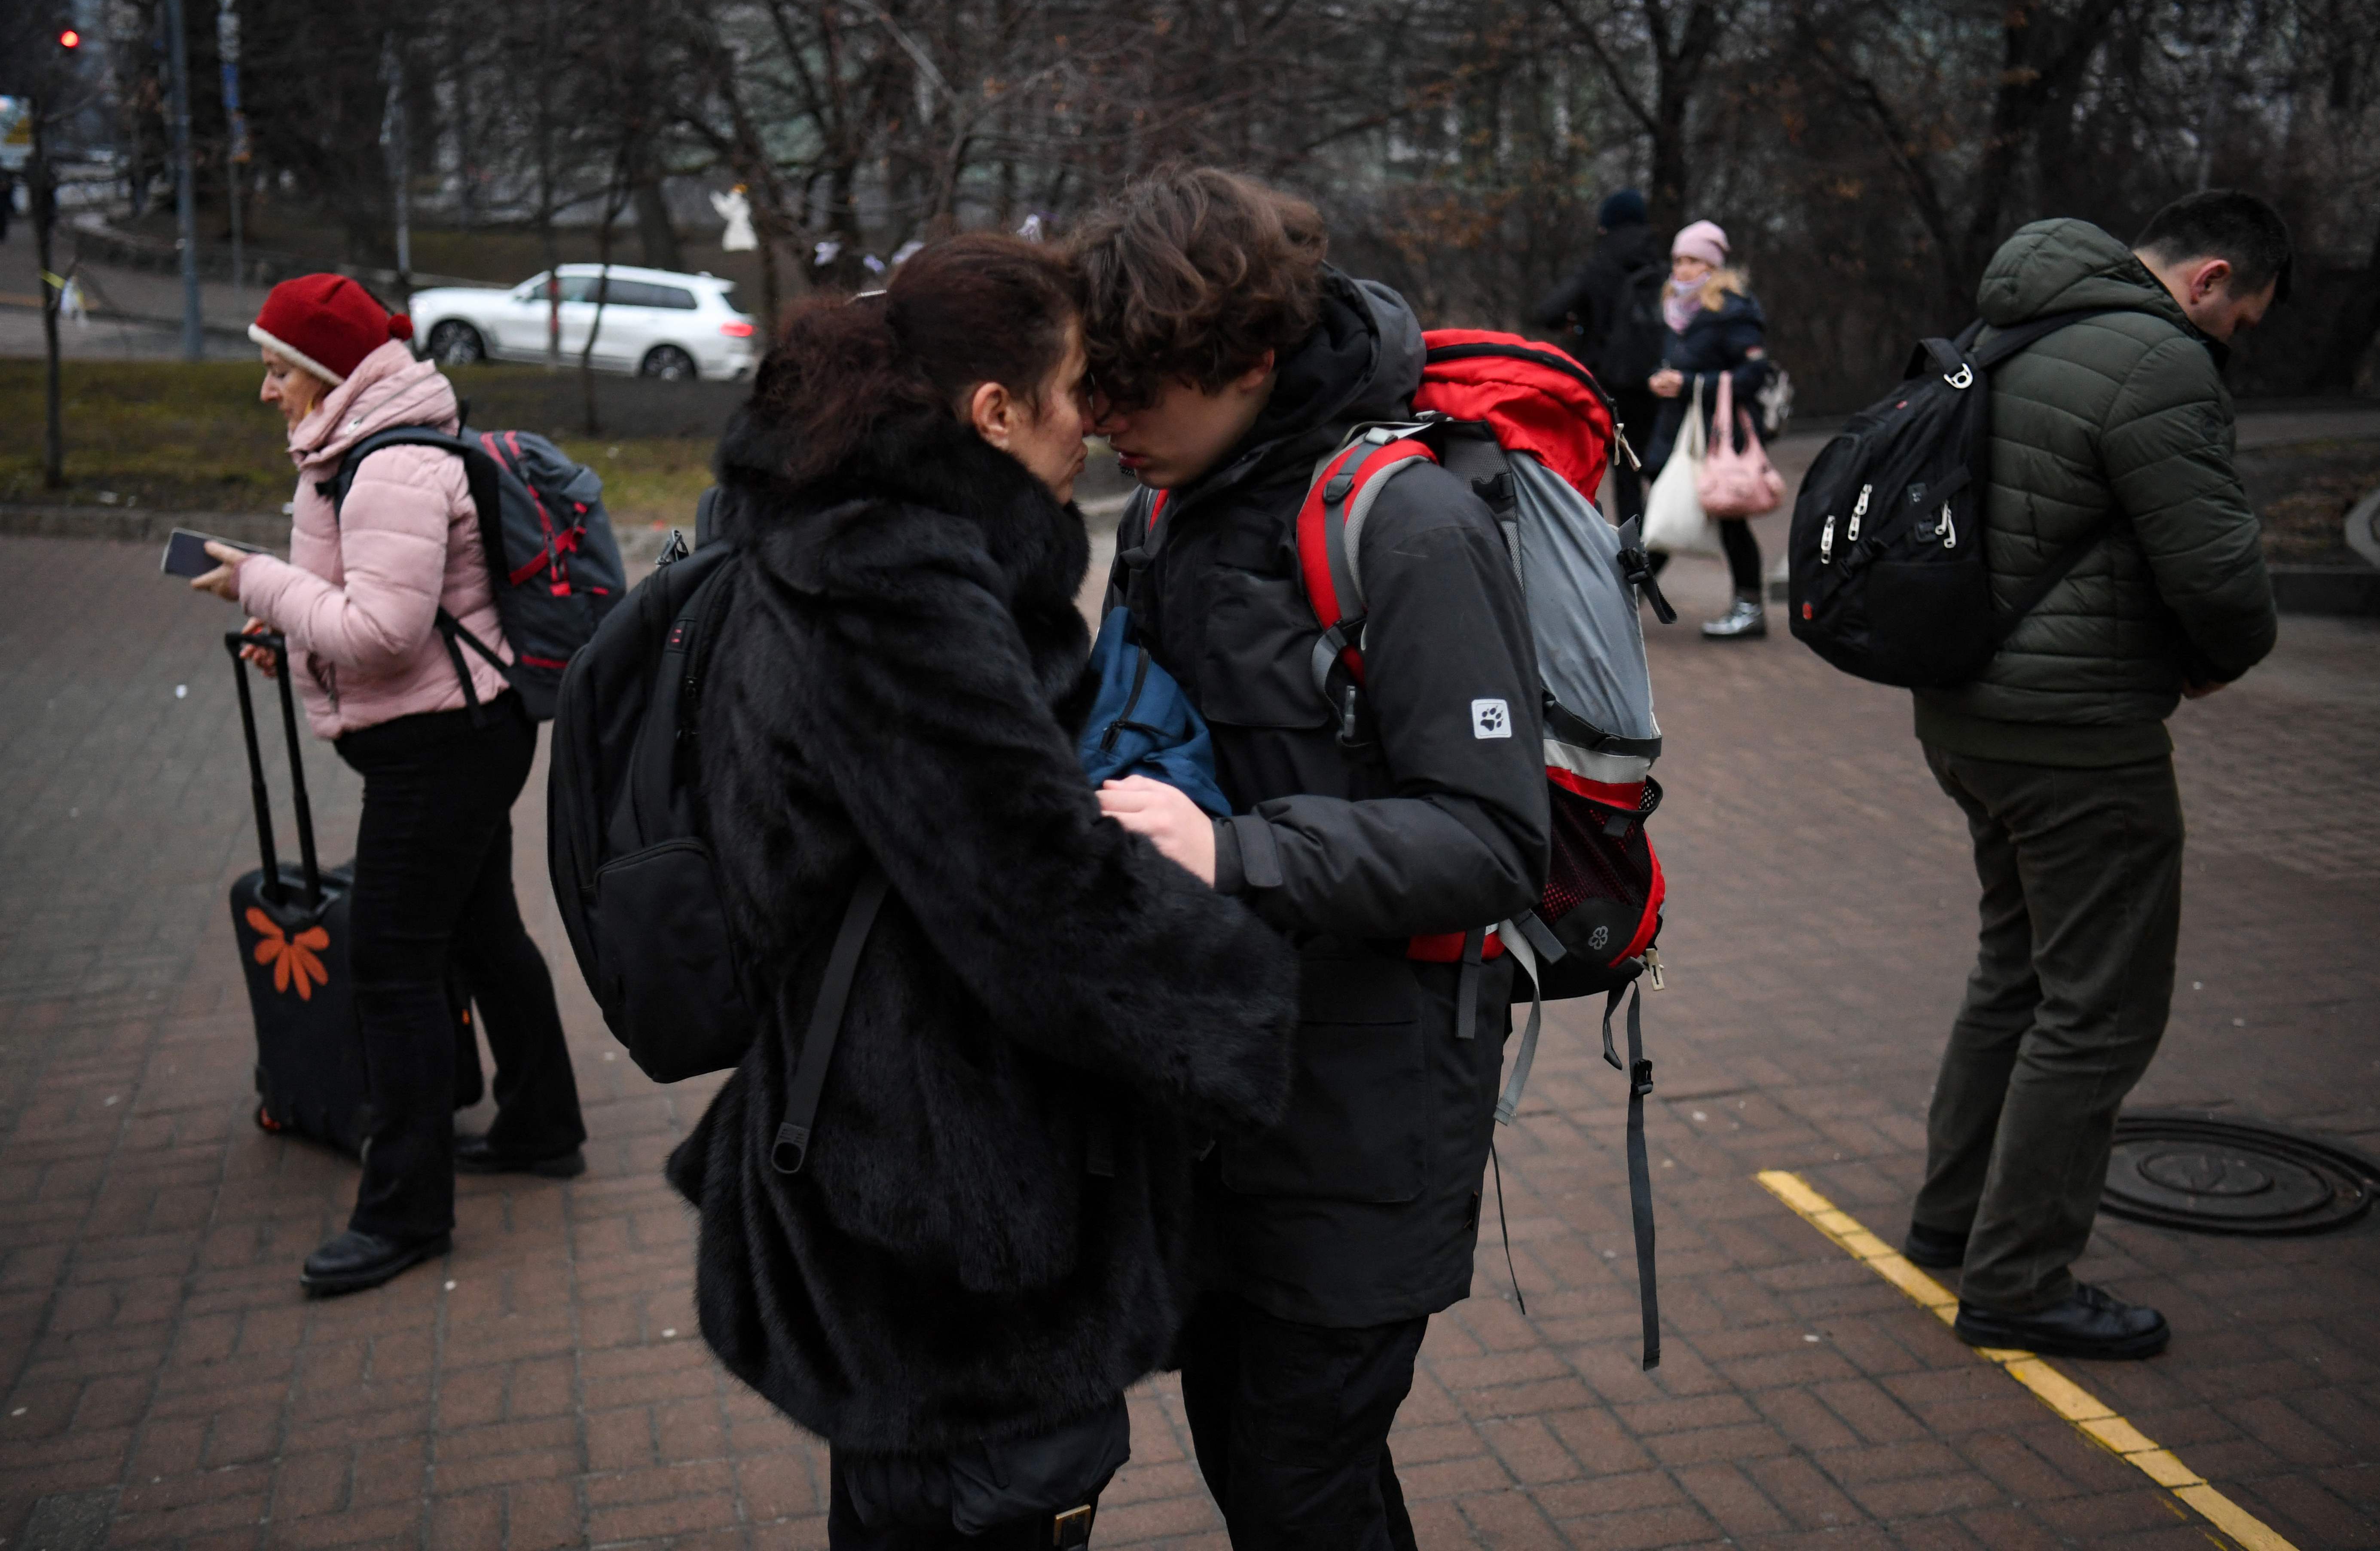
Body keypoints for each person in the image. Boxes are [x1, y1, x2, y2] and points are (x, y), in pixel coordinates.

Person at [663, 233, 1301, 1551]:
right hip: (952, 1206)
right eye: (1072, 386)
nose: (1097, 418)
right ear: (992, 411)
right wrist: (1246, 996)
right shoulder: (896, 583)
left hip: (881, 1148)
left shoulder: (829, 528)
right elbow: (1037, 893)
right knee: (990, 1494)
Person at [1072, 167, 1549, 1551]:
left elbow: (1490, 837)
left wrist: (1234, 852)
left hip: (1370, 1101)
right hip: (1226, 1087)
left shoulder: (1405, 525)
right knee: (1262, 1451)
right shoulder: (1170, 507)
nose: (1104, 427)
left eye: (1131, 392)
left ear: (1246, 361)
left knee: (1291, 1464)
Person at [1899, 192, 2287, 1359]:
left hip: (1965, 711)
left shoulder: (2002, 327)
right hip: (2077, 734)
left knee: (2016, 969)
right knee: (2100, 1009)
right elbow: (2217, 573)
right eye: (2245, 321)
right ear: (2212, 278)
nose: (2234, 344)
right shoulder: (2156, 360)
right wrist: (2224, 660)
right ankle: (2019, 1282)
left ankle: (1954, 1219)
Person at [191, 273, 587, 1297]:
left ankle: (405, 1212)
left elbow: (380, 633)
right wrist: (292, 635)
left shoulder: (391, 469)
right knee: (480, 932)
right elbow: (367, 617)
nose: (267, 390)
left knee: (391, 965)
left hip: (441, 745)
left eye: (278, 368)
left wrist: (257, 584)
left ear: (326, 371)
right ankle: (543, 1125)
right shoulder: (358, 454)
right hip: (453, 729)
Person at [1644, 220, 1771, 638]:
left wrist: (1690, 384)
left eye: (1694, 260)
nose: (1683, 269)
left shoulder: (1732, 310)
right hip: (1681, 434)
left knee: (1728, 518)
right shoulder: (1677, 311)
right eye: (1679, 260)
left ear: (1714, 265)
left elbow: (1755, 375)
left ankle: (1750, 607)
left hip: (1718, 439)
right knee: (1663, 515)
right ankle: (1622, 601)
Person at [1532, 187, 1662, 528]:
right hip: (1657, 381)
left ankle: (1632, 552)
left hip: (1607, 382)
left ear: (1607, 226)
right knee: (1657, 462)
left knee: (1623, 471)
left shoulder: (1599, 266)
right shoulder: (1662, 264)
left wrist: (1576, 322)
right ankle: (1659, 535)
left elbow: (1548, 311)